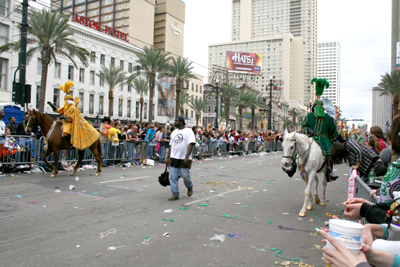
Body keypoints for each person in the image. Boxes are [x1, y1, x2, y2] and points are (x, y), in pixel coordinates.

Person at [301, 78, 346, 182]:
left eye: (321, 106)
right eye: (317, 106)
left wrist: (341, 139)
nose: (319, 107)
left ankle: (329, 172)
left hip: (324, 139)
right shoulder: (310, 116)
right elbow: (305, 126)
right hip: (312, 138)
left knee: (330, 154)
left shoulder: (327, 118)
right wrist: (309, 130)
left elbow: (334, 131)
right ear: (313, 108)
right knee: (297, 148)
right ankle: (293, 167)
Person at [47, 81, 99, 150]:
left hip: (71, 122)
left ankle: (70, 144)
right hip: (65, 122)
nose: (65, 101)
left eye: (65, 100)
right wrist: (52, 105)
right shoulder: (66, 107)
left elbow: (72, 117)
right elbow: (59, 110)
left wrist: (64, 117)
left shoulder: (73, 107)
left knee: (66, 130)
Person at [165, 116, 196, 201]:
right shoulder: (174, 132)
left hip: (184, 158)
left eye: (176, 120)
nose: (175, 122)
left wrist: (187, 157)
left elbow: (191, 144)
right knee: (172, 177)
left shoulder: (189, 131)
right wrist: (167, 157)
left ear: (181, 122)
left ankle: (189, 187)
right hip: (174, 158)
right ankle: (175, 194)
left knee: (185, 175)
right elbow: (170, 145)